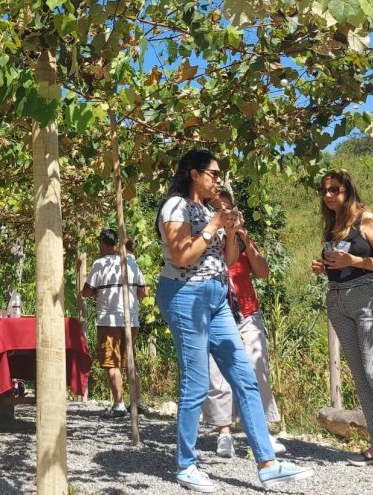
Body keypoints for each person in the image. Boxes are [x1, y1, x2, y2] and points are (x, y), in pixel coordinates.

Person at [156, 148, 312, 492]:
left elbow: (226, 261)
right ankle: (186, 465)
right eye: (213, 174)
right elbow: (181, 256)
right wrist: (214, 225)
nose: (218, 180)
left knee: (245, 377)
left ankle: (267, 464)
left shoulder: (206, 209)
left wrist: (231, 232)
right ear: (194, 174)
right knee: (196, 383)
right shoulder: (176, 206)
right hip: (186, 295)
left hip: (217, 296)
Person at [311, 170, 373, 475]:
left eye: (334, 189)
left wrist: (355, 261)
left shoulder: (366, 219)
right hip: (337, 300)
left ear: (348, 191)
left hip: (367, 296)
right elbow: (338, 263)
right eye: (324, 190)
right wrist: (324, 267)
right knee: (360, 375)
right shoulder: (333, 224)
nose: (328, 195)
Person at [201, 189, 285, 458]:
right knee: (217, 375)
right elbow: (225, 263)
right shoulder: (206, 238)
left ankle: (260, 431)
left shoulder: (243, 238)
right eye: (218, 209)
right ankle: (223, 432)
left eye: (228, 209)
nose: (225, 214)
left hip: (247, 311)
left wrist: (245, 239)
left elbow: (263, 271)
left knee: (257, 368)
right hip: (217, 312)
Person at [81, 228, 148, 418]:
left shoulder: (99, 264)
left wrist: (102, 292)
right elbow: (143, 293)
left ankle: (119, 405)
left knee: (112, 363)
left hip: (108, 320)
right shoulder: (131, 263)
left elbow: (86, 292)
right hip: (131, 319)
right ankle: (137, 403)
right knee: (131, 361)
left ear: (103, 244)